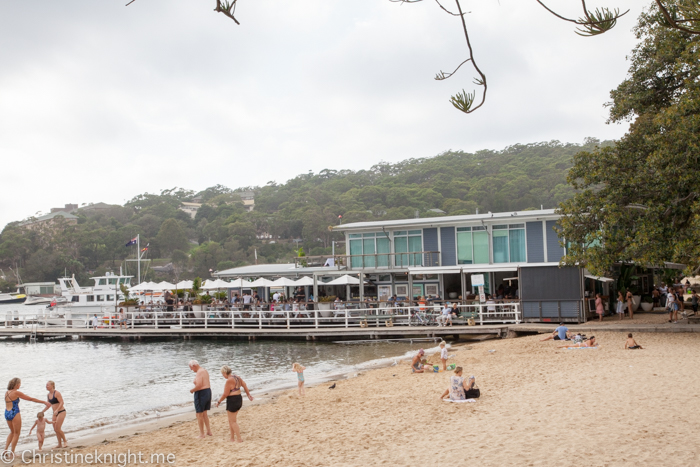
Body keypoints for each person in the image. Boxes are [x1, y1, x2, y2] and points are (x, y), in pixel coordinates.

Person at [4, 378, 51, 454]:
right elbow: (31, 399)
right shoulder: (16, 392)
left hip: (7, 413)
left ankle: (5, 450)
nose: (20, 385)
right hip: (14, 412)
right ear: (16, 384)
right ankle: (12, 453)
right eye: (19, 383)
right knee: (16, 434)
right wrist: (44, 402)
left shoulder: (7, 392)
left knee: (12, 432)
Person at [214, 366, 253, 443]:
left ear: (225, 373)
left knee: (233, 421)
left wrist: (218, 402)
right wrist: (248, 395)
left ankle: (239, 438)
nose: (222, 376)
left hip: (233, 400)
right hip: (239, 399)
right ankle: (232, 438)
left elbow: (225, 394)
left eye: (222, 374)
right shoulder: (237, 377)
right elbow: (244, 385)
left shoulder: (229, 380)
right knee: (230, 420)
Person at [189, 360, 212, 439]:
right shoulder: (204, 370)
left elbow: (199, 385)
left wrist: (192, 390)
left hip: (201, 393)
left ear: (194, 366)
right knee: (204, 413)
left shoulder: (199, 372)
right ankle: (208, 431)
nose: (191, 370)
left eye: (191, 368)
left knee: (199, 414)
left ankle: (202, 434)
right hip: (208, 391)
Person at [46, 380, 68, 448]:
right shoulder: (48, 395)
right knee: (55, 430)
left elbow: (62, 402)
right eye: (46, 385)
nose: (46, 386)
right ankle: (59, 444)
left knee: (58, 428)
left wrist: (57, 410)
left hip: (61, 411)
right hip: (54, 413)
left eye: (48, 385)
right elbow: (49, 405)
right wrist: (42, 411)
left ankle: (65, 441)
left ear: (52, 385)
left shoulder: (57, 393)